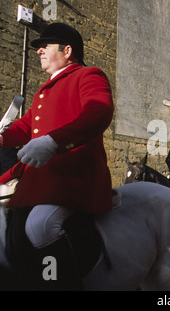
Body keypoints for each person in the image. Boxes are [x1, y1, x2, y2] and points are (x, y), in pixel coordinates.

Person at [0, 23, 114, 290]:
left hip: (74, 173)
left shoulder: (88, 75)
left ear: (67, 51)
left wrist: (54, 142)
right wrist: (3, 138)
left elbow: (99, 113)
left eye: (46, 46)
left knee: (41, 226)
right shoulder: (43, 90)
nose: (39, 50)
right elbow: (26, 126)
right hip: (41, 176)